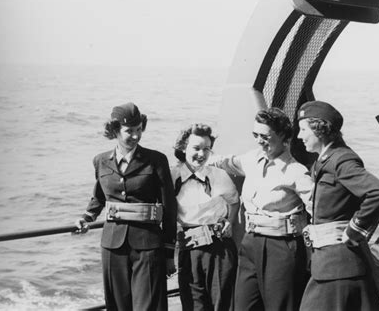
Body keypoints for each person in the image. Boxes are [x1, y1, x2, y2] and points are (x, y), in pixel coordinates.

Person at [74, 102, 177, 311]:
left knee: (149, 307)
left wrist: (168, 253)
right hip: (113, 247)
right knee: (118, 307)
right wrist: (86, 218)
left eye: (139, 130)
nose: (136, 136)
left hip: (148, 246)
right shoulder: (101, 161)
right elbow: (99, 197)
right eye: (129, 131)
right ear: (114, 131)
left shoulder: (156, 160)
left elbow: (169, 208)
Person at [211, 107, 313, 311]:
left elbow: (319, 209)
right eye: (255, 135)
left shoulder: (296, 172)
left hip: (282, 248)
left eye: (265, 136)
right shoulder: (251, 159)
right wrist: (197, 155)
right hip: (250, 243)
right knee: (243, 306)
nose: (259, 141)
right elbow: (225, 162)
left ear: (282, 135)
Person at [297, 100, 379, 311]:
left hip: (338, 266)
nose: (299, 136)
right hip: (331, 265)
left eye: (303, 129)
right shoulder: (325, 161)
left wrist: (355, 229)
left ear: (319, 129)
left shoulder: (341, 160)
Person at [171, 123, 239, 311]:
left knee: (221, 305)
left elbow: (234, 201)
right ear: (183, 147)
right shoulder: (172, 176)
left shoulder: (219, 175)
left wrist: (230, 221)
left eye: (206, 149)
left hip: (218, 248)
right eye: (196, 148)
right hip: (189, 248)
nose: (201, 154)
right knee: (193, 305)